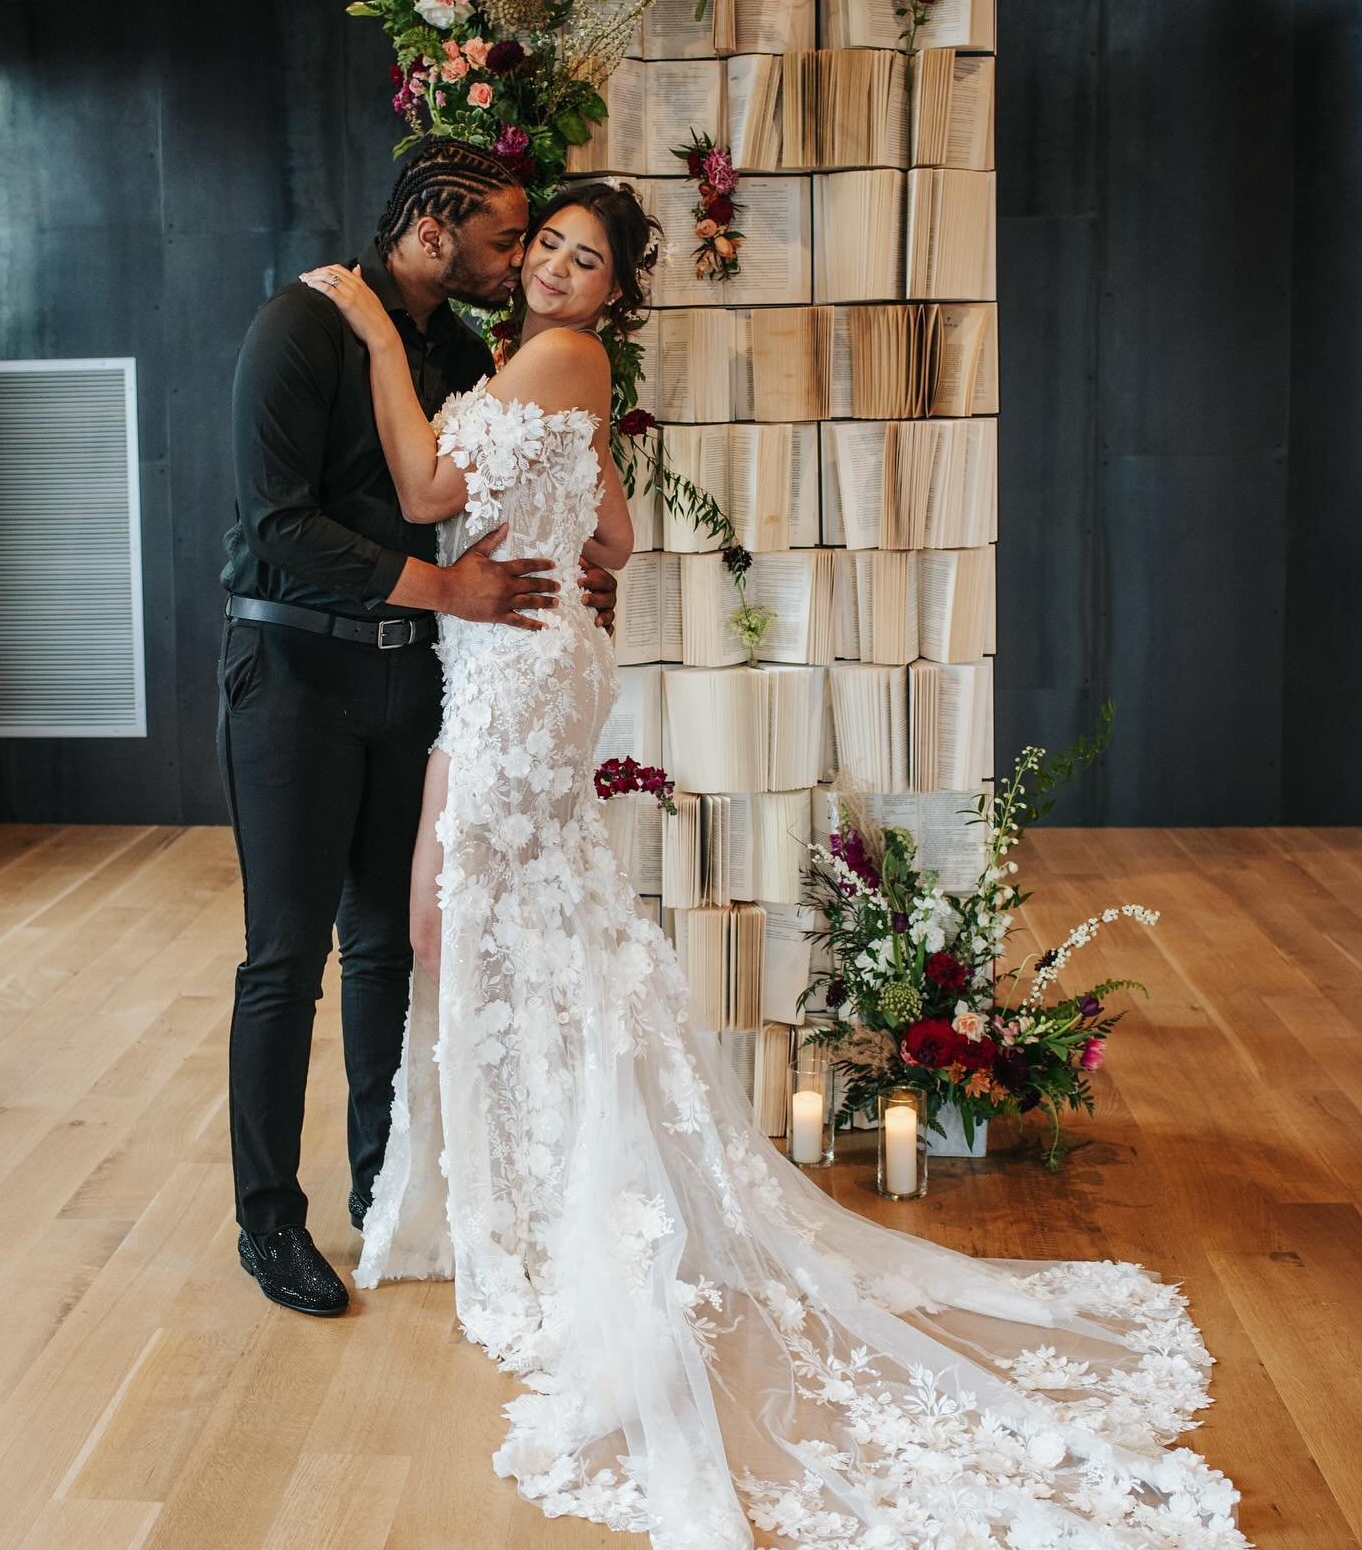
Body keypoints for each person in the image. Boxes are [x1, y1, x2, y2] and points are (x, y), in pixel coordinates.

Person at [301, 181, 1246, 1548]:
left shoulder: (552, 357)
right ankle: (542, 1194)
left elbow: (427, 490)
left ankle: (534, 1217)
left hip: (511, 669)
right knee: (525, 928)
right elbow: (617, 537)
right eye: (548, 250)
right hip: (532, 656)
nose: (559, 272)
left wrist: (375, 340)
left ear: (618, 291)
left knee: (485, 924)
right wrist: (570, 543)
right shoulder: (563, 367)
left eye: (586, 261)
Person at [220, 139, 617, 1318]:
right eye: (507, 239)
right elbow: (280, 527)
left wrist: (581, 568)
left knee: (390, 944)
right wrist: (447, 590)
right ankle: (267, 1224)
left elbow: (503, 486)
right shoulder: (300, 327)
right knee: (286, 957)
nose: (522, 259)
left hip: (412, 684)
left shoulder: (455, 347)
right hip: (290, 671)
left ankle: (376, 1184)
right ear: (434, 230)